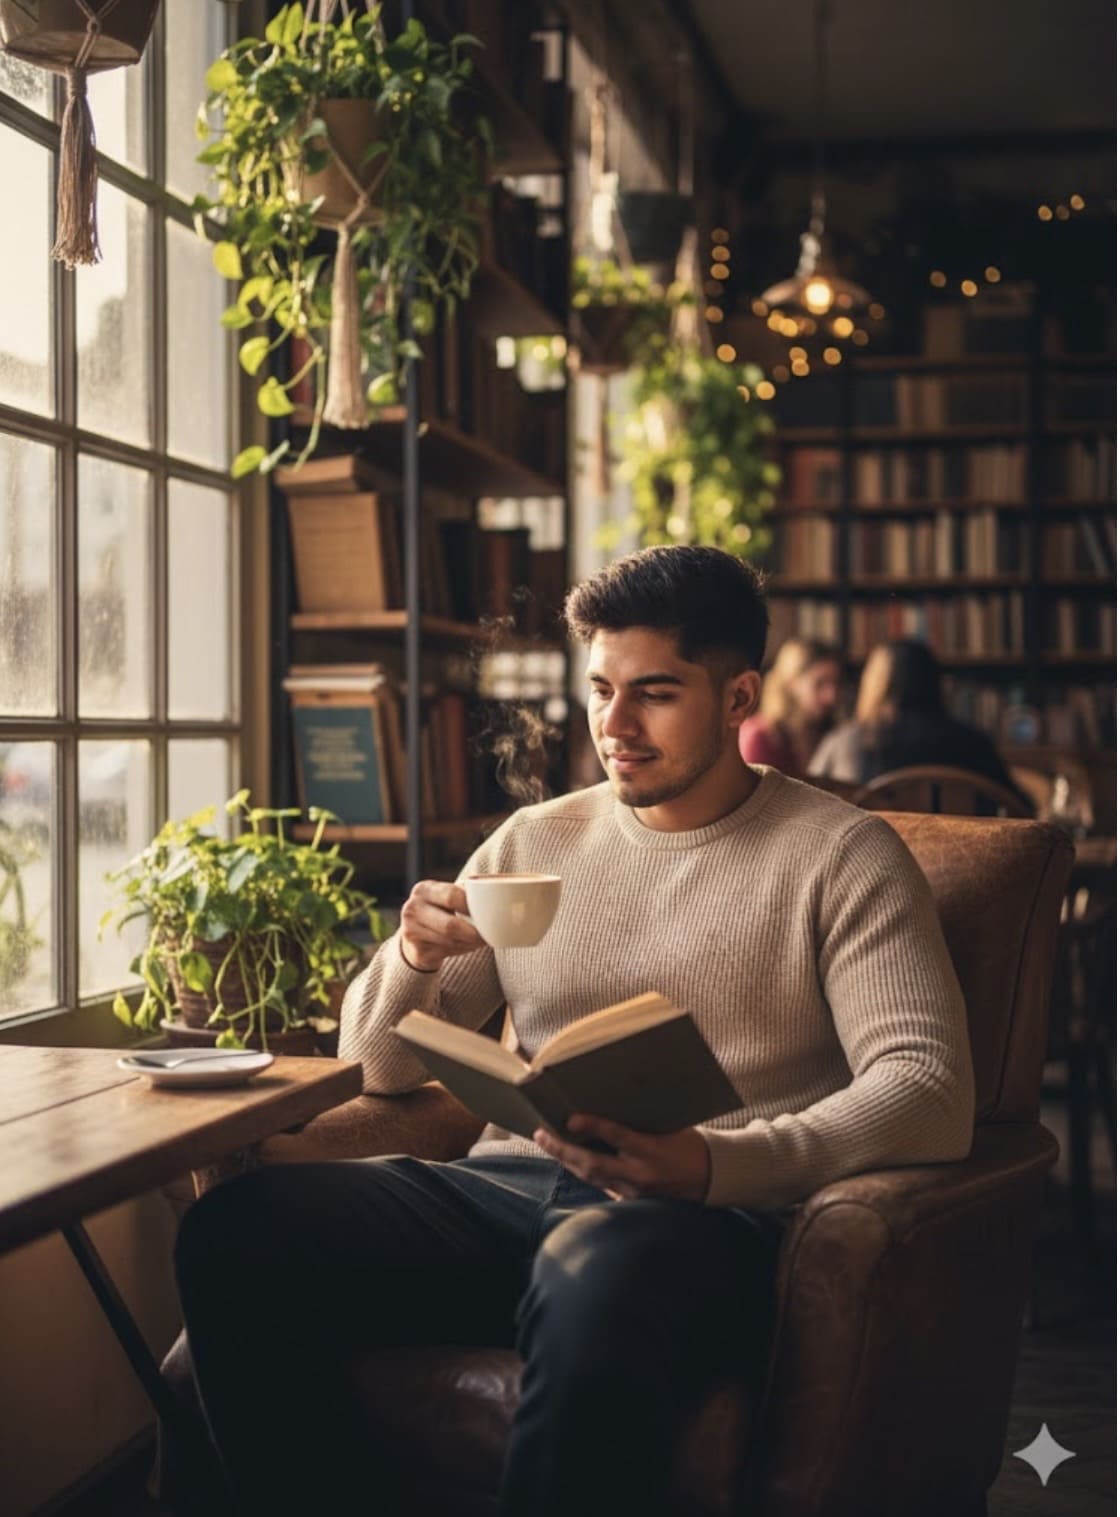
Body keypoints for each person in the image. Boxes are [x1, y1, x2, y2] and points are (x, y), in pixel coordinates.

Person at [172, 547, 974, 1517]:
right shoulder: (534, 840)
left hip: (702, 1221)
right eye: (598, 688)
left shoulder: (841, 853)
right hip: (508, 1191)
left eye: (654, 693)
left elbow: (928, 1087)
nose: (613, 724)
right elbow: (374, 1066)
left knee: (592, 1269)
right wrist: (415, 956)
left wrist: (713, 1165)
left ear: (738, 695)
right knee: (235, 1230)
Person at [809, 638, 1025, 796]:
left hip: (871, 855)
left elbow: (808, 800)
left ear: (875, 684)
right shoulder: (974, 742)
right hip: (962, 857)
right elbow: (1021, 808)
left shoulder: (845, 742)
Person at [737, 635, 843, 776]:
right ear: (791, 682)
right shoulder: (761, 737)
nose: (831, 696)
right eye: (820, 683)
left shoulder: (827, 732)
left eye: (836, 683)